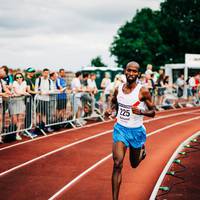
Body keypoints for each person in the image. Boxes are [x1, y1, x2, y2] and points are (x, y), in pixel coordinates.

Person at [107, 61, 156, 200]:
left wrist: (141, 111)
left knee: (134, 164)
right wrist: (110, 110)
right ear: (125, 71)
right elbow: (114, 102)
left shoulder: (143, 91)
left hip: (136, 131)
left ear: (138, 74)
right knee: (117, 164)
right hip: (120, 129)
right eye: (129, 70)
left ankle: (142, 152)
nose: (131, 73)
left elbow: (153, 112)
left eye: (134, 71)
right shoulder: (119, 88)